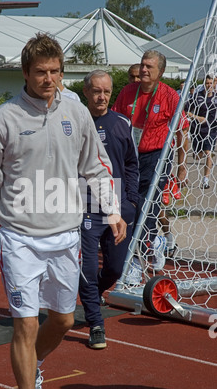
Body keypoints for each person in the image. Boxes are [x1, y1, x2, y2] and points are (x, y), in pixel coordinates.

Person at [0, 33, 126, 389]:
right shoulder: (2, 118)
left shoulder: (77, 113)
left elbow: (96, 165)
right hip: (19, 237)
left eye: (55, 71)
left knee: (64, 320)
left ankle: (32, 364)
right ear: (25, 72)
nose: (49, 79)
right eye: (41, 72)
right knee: (24, 324)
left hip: (65, 235)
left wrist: (112, 209)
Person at [112, 50, 189, 282]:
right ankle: (154, 242)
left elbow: (182, 131)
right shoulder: (128, 92)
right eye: (143, 65)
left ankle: (136, 261)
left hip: (157, 157)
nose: (143, 70)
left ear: (161, 72)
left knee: (147, 209)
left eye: (149, 67)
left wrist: (182, 165)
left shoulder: (169, 96)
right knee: (127, 208)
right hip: (129, 158)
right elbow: (115, 121)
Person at [79, 70, 139, 349]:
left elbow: (131, 164)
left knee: (114, 269)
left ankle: (92, 294)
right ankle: (96, 325)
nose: (101, 97)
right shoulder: (75, 122)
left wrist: (131, 201)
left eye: (106, 91)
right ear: (86, 93)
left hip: (118, 211)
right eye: (96, 91)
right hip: (85, 210)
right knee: (87, 270)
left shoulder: (121, 122)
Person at [186, 74, 217, 189]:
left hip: (211, 131)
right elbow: (186, 111)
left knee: (208, 153)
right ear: (204, 84)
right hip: (197, 130)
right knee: (197, 156)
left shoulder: (216, 98)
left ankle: (205, 180)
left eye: (211, 83)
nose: (209, 85)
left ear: (214, 84)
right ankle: (200, 153)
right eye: (207, 83)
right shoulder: (197, 97)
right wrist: (196, 117)